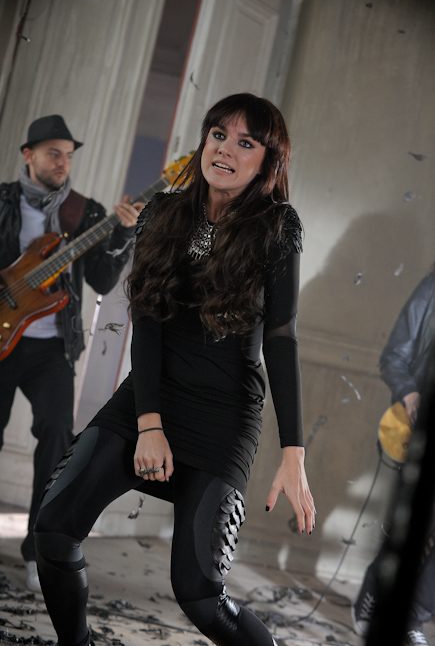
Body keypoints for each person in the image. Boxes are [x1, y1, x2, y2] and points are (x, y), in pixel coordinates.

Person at [34, 93, 316, 646]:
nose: (225, 150)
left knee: (199, 594)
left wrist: (294, 453)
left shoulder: (277, 227)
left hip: (222, 418)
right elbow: (147, 321)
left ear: (268, 161)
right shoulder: (163, 213)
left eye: (245, 142)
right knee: (54, 529)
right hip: (150, 397)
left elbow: (281, 338)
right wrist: (149, 423)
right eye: (218, 135)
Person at [0, 115, 140, 592]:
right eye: (53, 154)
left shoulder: (87, 212)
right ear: (29, 155)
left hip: (51, 346)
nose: (63, 163)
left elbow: (101, 280)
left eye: (68, 156)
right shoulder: (2, 201)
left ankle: (38, 551)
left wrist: (123, 234)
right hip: (1, 342)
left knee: (59, 440)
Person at [352, 268, 435, 646]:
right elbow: (394, 357)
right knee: (410, 528)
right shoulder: (431, 289)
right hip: (419, 429)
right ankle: (372, 597)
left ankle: (414, 615)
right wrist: (410, 394)